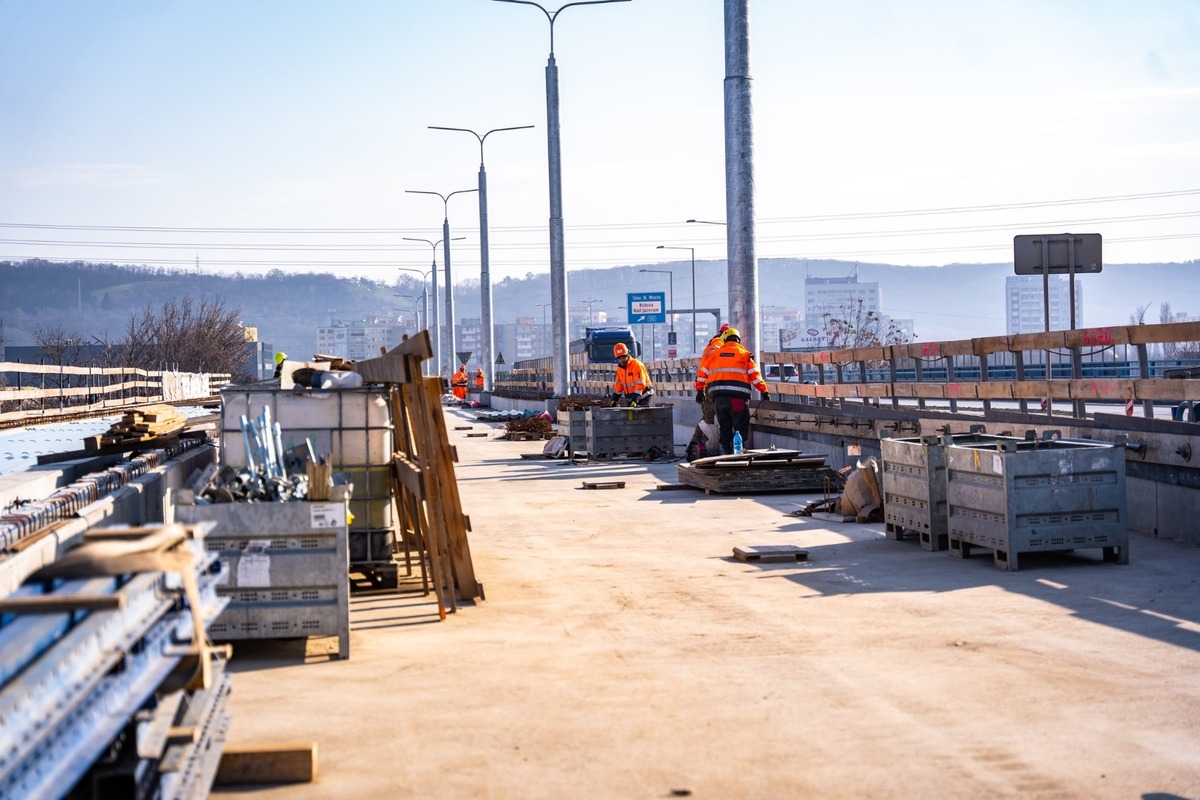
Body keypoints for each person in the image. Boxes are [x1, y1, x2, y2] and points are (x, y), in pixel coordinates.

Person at [694, 327, 769, 456]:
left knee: (725, 426)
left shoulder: (713, 354)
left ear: (724, 339)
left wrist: (700, 390)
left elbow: (702, 374)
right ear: (738, 340)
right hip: (737, 398)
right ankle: (738, 453)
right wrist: (764, 391)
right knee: (740, 426)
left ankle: (727, 453)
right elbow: (755, 376)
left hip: (718, 398)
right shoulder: (744, 355)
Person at [611, 342, 654, 406]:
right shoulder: (620, 369)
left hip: (644, 396)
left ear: (627, 355)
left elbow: (640, 384)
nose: (622, 360)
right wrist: (615, 399)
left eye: (623, 357)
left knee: (642, 415)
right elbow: (619, 386)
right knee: (630, 415)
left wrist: (635, 399)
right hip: (631, 398)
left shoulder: (637, 365)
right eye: (619, 358)